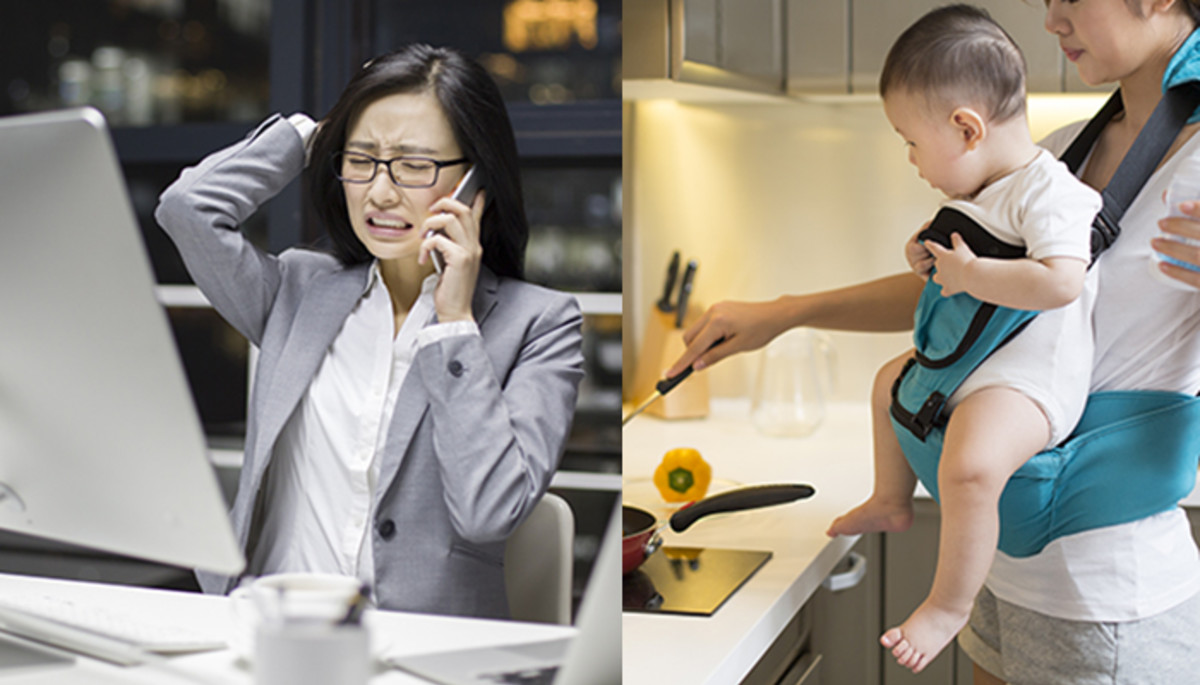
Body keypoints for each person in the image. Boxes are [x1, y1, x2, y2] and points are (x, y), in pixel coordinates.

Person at [668, 0, 1200, 681]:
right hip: (1005, 567)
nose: (1052, 21)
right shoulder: (1065, 148)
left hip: (1110, 596)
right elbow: (971, 298)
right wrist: (787, 312)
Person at [155, 44, 585, 620]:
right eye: (363, 161)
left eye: (413, 164)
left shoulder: (539, 325)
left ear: (476, 180)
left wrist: (454, 323)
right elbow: (187, 208)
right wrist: (319, 135)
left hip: (421, 655)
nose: (381, 192)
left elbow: (488, 511)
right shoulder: (299, 291)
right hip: (266, 638)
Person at [820, 5, 1101, 674]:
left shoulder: (1049, 192)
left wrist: (973, 271)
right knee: (889, 380)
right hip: (980, 370)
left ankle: (948, 603)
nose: (912, 159)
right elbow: (959, 271)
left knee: (971, 465)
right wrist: (928, 259)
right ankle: (892, 500)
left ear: (967, 128)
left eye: (911, 141)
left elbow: (1061, 281)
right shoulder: (984, 194)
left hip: (1032, 383)